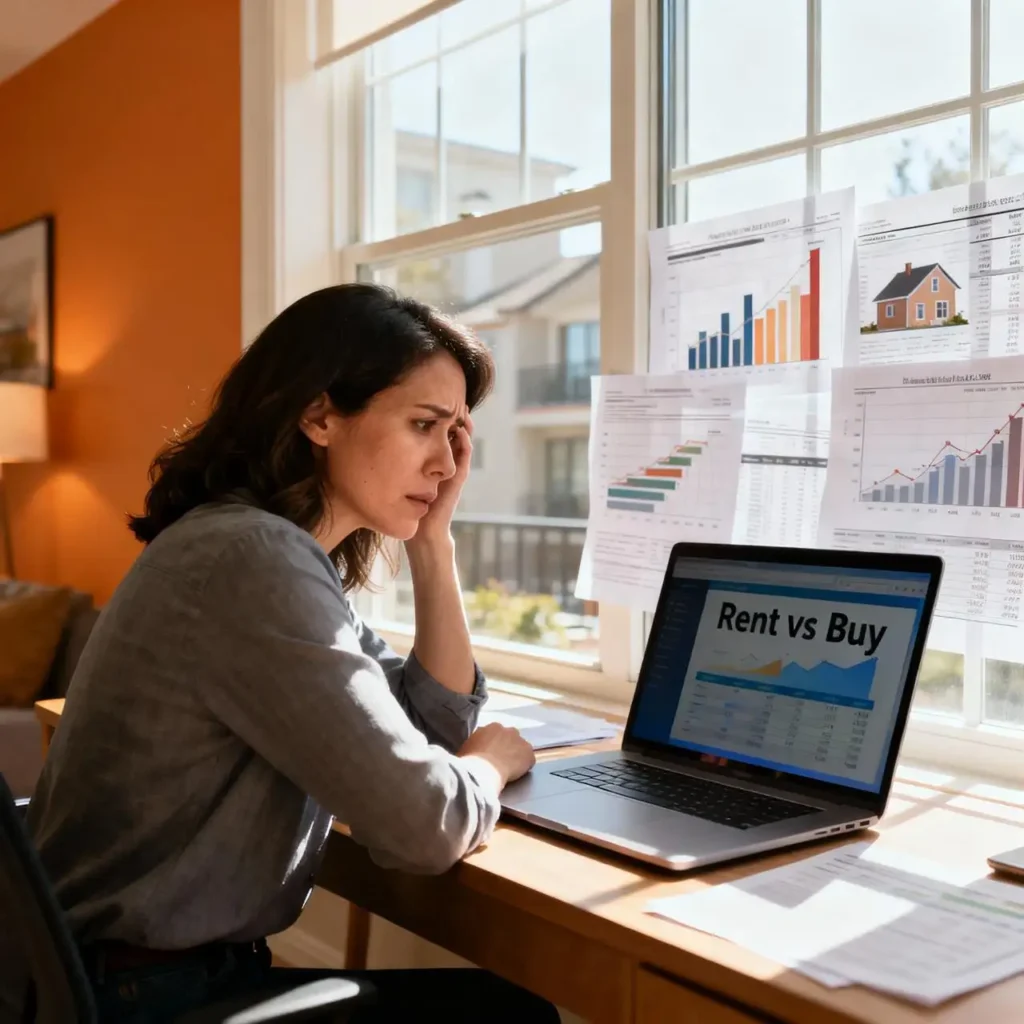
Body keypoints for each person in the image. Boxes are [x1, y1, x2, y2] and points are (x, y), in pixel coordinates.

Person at [27, 283, 557, 1023]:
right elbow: (423, 826)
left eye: (457, 435)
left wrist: (433, 544)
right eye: (424, 425)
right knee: (508, 1014)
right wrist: (492, 764)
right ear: (319, 414)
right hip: (152, 999)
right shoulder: (254, 561)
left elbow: (427, 726)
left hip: (128, 980)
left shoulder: (262, 551)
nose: (446, 462)